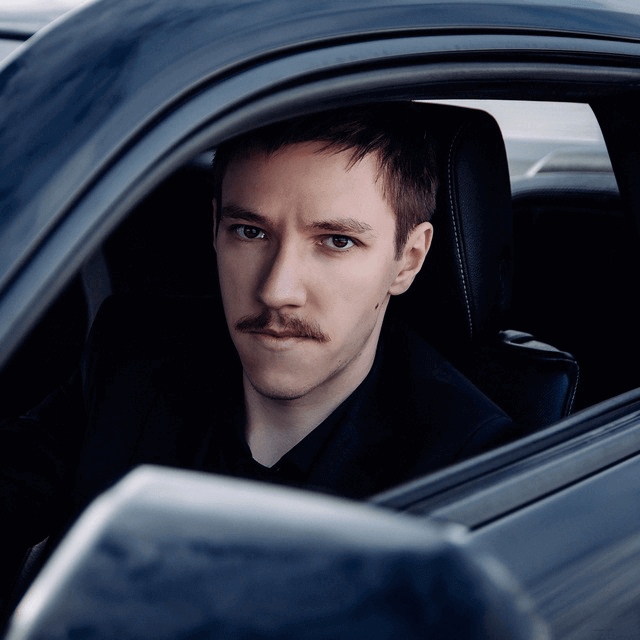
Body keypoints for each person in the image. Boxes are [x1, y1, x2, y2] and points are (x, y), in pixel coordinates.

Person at [0, 102, 515, 557]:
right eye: (250, 231)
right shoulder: (132, 350)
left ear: (408, 260)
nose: (276, 290)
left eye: (336, 241)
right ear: (215, 229)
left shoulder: (468, 461)